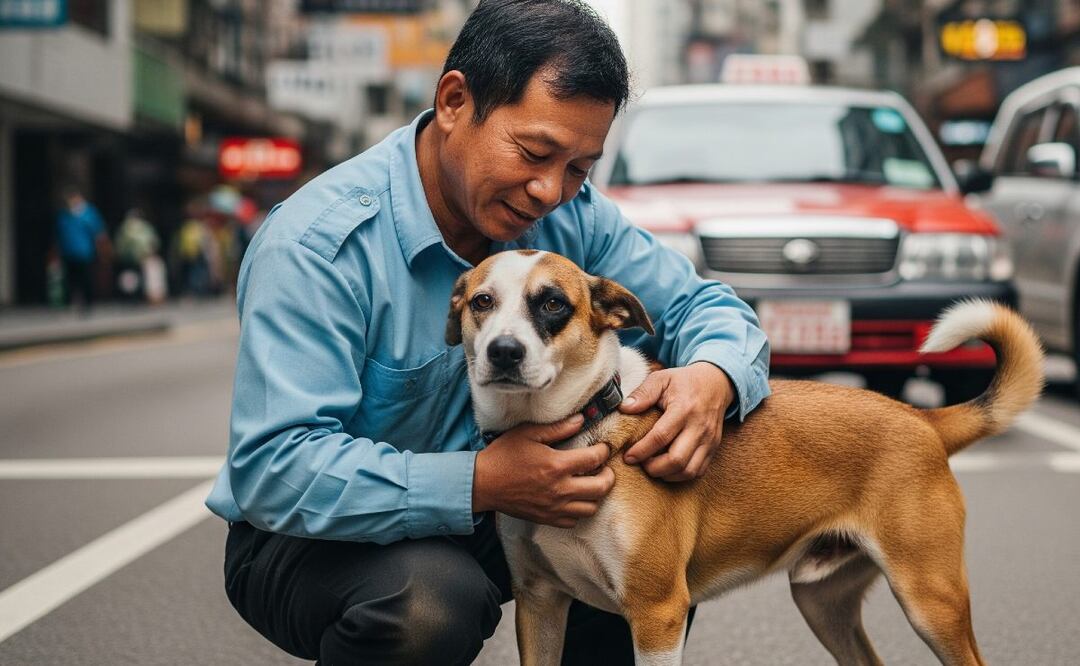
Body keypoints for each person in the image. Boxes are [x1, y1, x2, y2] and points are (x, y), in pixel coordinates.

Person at [206, 1, 771, 664]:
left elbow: (705, 306)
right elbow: (275, 470)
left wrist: (713, 377)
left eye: (578, 168)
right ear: (454, 102)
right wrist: (478, 482)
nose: (549, 191)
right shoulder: (317, 249)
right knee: (427, 605)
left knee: (647, 514)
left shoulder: (573, 218)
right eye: (535, 153)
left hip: (508, 499)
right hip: (312, 535)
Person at [55, 187, 108, 312]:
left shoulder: (89, 213)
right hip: (68, 252)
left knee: (85, 278)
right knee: (70, 279)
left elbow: (99, 232)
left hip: (85, 252)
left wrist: (102, 250)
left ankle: (88, 302)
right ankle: (70, 302)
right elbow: (58, 234)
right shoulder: (64, 215)